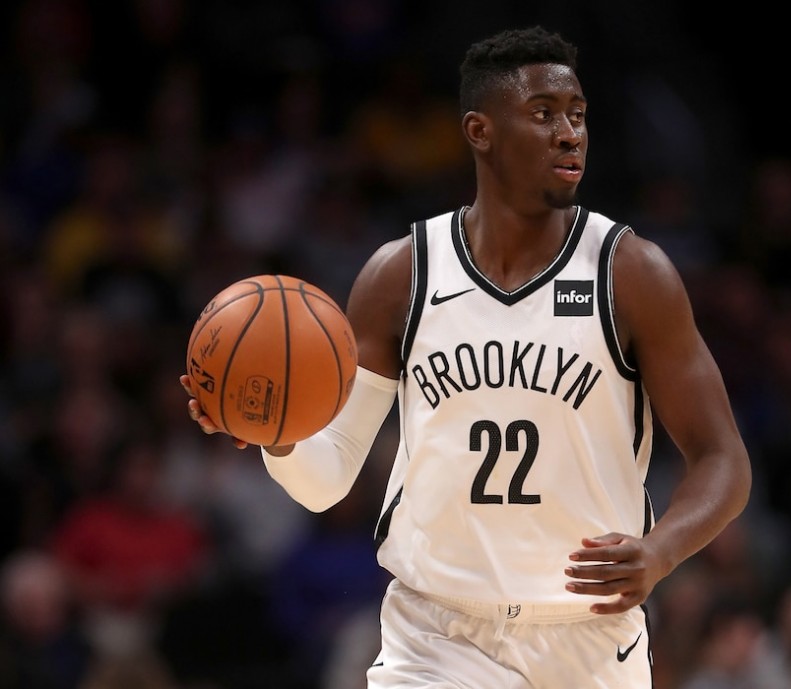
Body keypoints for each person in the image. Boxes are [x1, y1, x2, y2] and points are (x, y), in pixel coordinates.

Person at [182, 26, 751, 688]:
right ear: (480, 131)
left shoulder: (631, 274)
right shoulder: (402, 275)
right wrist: (274, 434)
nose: (570, 133)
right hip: (437, 638)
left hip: (589, 636)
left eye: (578, 115)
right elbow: (329, 475)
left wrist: (661, 549)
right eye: (544, 114)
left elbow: (724, 460)